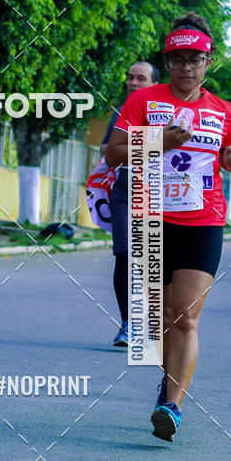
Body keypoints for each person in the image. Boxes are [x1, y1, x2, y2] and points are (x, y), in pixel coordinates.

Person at [106, 12, 231, 442]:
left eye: (194, 59)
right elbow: (113, 154)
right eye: (177, 59)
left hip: (203, 221)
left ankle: (173, 406)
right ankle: (169, 381)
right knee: (159, 320)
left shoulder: (223, 111)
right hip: (151, 217)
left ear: (207, 61)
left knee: (185, 317)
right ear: (167, 61)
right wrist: (162, 141)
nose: (186, 67)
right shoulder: (145, 101)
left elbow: (229, 157)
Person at [101, 62, 160, 347]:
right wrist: (147, 144)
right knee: (125, 256)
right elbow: (106, 148)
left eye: (141, 78)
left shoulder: (164, 111)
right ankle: (127, 325)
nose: (133, 82)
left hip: (161, 190)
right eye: (130, 77)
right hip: (126, 188)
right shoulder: (122, 112)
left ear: (154, 84)